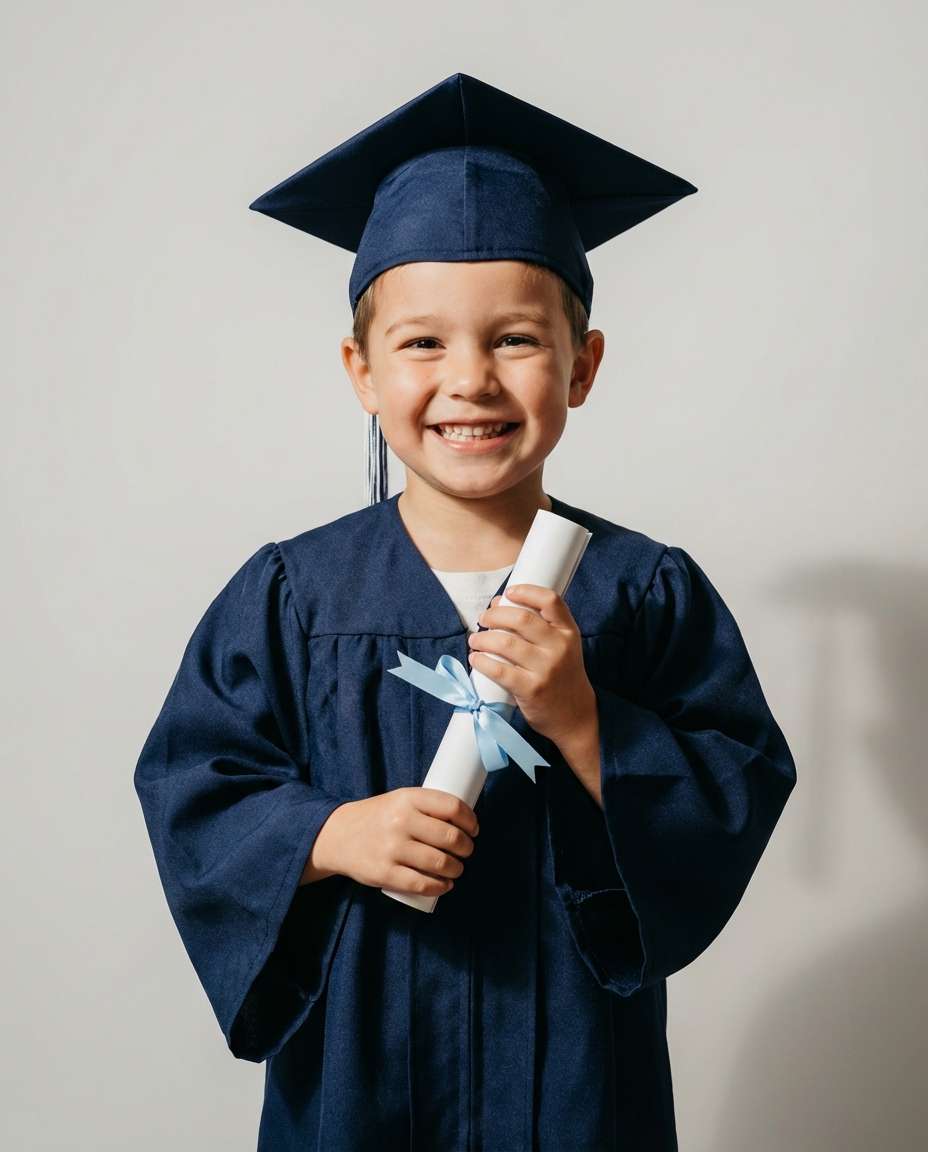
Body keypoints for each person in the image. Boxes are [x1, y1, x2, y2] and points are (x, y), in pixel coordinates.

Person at [134, 72, 797, 1151]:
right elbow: (193, 785)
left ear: (582, 366)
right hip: (363, 1069)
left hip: (577, 1075)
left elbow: (737, 781)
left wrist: (585, 720)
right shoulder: (294, 595)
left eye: (517, 340)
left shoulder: (642, 591)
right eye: (422, 343)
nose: (472, 380)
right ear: (361, 371)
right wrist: (329, 833)